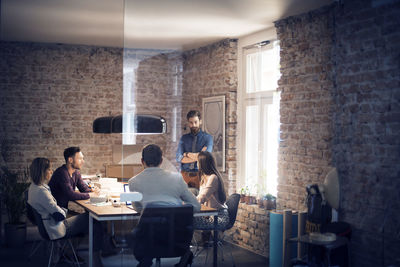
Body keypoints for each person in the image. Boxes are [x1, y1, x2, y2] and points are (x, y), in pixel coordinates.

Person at [128, 144, 200, 267]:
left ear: (142, 161)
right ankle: (186, 255)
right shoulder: (177, 178)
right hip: (176, 239)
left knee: (139, 233)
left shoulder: (133, 182)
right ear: (161, 161)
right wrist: (177, 207)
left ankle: (146, 259)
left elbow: (137, 207)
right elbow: (196, 207)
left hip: (148, 240)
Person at [27, 157, 105, 267]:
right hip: (55, 228)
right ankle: (95, 260)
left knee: (85, 219)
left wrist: (61, 210)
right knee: (92, 219)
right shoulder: (42, 192)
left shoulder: (33, 187)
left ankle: (67, 252)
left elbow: (53, 208)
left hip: (47, 224)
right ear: (42, 171)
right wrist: (63, 211)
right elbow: (59, 215)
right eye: (49, 169)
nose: (51, 171)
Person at [176, 110, 213, 192]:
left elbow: (205, 156)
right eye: (191, 123)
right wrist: (198, 156)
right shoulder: (184, 138)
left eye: (196, 122)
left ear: (200, 121)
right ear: (188, 123)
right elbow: (179, 158)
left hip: (201, 176)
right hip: (184, 176)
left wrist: (187, 154)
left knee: (200, 201)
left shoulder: (208, 138)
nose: (193, 125)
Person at [194, 151, 229, 231]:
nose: (196, 164)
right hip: (210, 215)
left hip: (219, 217)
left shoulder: (213, 178)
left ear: (202, 163)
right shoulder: (203, 177)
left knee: (187, 221)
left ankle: (184, 243)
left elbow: (202, 198)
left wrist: (189, 200)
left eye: (197, 162)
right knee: (185, 220)